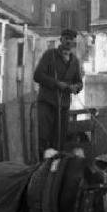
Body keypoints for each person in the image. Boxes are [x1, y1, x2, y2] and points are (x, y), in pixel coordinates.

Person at [34, 28, 83, 158]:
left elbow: (79, 83)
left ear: (74, 42)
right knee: (44, 136)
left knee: (60, 138)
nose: (68, 41)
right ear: (61, 40)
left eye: (71, 39)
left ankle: (55, 169)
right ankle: (41, 166)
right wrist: (56, 83)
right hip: (47, 103)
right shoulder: (50, 55)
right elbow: (38, 75)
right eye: (66, 38)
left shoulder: (75, 61)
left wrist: (75, 87)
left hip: (64, 106)